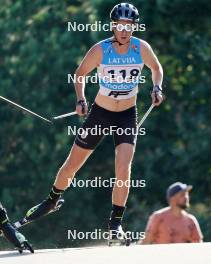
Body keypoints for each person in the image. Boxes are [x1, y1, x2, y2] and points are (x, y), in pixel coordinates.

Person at [19, 3, 164, 240]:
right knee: (72, 165)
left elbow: (157, 69)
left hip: (127, 115)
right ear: (112, 26)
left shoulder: (141, 48)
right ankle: (52, 200)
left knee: (124, 169)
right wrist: (80, 99)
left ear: (134, 27)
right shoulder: (101, 49)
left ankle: (115, 223)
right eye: (119, 26)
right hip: (101, 114)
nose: (124, 31)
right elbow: (80, 74)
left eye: (129, 26)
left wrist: (157, 87)